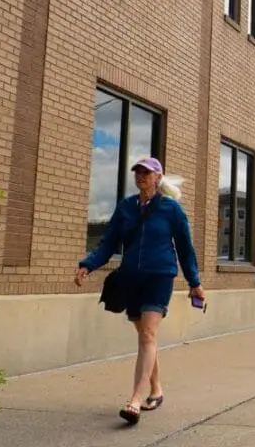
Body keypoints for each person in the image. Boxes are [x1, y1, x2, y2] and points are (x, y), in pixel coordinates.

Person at [74, 157, 204, 425]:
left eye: (146, 172)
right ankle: (156, 390)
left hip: (159, 277)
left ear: (158, 177)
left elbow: (185, 248)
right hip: (131, 277)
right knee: (147, 338)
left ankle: (134, 400)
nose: (141, 176)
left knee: (147, 334)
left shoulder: (171, 209)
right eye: (138, 172)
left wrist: (195, 282)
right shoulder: (125, 207)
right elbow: (108, 242)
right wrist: (88, 265)